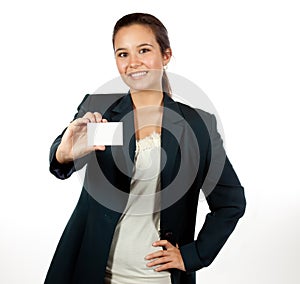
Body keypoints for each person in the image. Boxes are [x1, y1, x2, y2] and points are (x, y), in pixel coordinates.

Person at [45, 12, 246, 284]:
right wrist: (64, 154)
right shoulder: (99, 108)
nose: (133, 63)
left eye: (144, 50)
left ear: (166, 55)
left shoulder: (198, 125)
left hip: (157, 277)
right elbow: (62, 157)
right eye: (122, 54)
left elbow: (231, 201)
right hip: (92, 271)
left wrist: (193, 255)